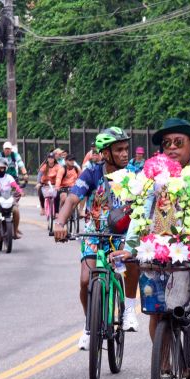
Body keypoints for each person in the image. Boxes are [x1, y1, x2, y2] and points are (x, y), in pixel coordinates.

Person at [118, 118, 190, 358]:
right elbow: (141, 211)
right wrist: (130, 247)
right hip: (163, 241)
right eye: (167, 144)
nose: (172, 148)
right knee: (158, 308)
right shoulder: (153, 169)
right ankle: (164, 364)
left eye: (178, 142)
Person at [54, 128, 141, 348]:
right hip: (94, 233)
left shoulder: (133, 174)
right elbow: (73, 199)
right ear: (105, 153)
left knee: (128, 264)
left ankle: (129, 309)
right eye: (118, 150)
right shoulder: (91, 173)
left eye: (126, 149)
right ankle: (89, 326)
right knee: (85, 280)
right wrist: (60, 223)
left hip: (120, 237)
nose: (124, 153)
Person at [39, 152, 64, 218]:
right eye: (49, 158)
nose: (50, 159)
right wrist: (38, 183)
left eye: (52, 158)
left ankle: (56, 212)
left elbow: (60, 175)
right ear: (47, 159)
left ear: (54, 159)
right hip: (45, 184)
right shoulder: (44, 166)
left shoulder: (58, 166)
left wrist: (58, 185)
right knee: (40, 191)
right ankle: (42, 208)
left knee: (57, 195)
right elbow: (40, 174)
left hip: (54, 184)